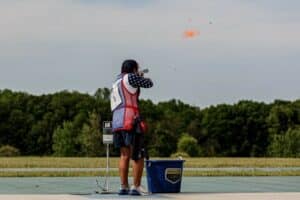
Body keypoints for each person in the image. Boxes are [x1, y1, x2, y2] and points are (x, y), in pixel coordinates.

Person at [110, 59, 153, 195]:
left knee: (124, 155)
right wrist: (140, 76)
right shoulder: (130, 77)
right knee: (137, 154)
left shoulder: (116, 81)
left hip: (117, 121)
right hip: (130, 120)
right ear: (133, 69)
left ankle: (124, 186)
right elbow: (149, 83)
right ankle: (136, 186)